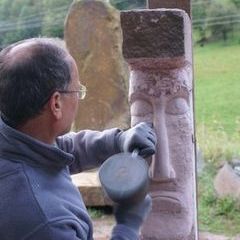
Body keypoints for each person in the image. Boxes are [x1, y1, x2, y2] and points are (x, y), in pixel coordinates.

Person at [0, 37, 157, 240]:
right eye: (77, 91)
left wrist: (117, 140)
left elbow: (58, 149)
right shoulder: (47, 223)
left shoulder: (17, 135)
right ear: (56, 104)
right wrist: (128, 225)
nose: (79, 98)